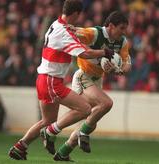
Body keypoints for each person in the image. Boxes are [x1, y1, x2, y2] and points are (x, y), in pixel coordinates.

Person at [8, 0, 113, 160]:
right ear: (76, 14)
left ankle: (19, 147)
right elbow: (84, 53)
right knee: (85, 109)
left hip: (43, 79)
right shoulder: (64, 32)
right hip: (52, 81)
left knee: (47, 120)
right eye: (79, 16)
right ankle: (50, 132)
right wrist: (103, 52)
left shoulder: (55, 24)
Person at [53, 11, 131, 161]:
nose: (123, 32)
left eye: (125, 28)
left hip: (96, 80)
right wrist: (70, 29)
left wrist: (119, 70)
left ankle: (63, 151)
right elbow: (79, 32)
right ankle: (55, 131)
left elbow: (127, 63)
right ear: (111, 26)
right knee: (106, 103)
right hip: (83, 76)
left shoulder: (122, 42)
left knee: (91, 122)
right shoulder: (96, 33)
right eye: (121, 28)